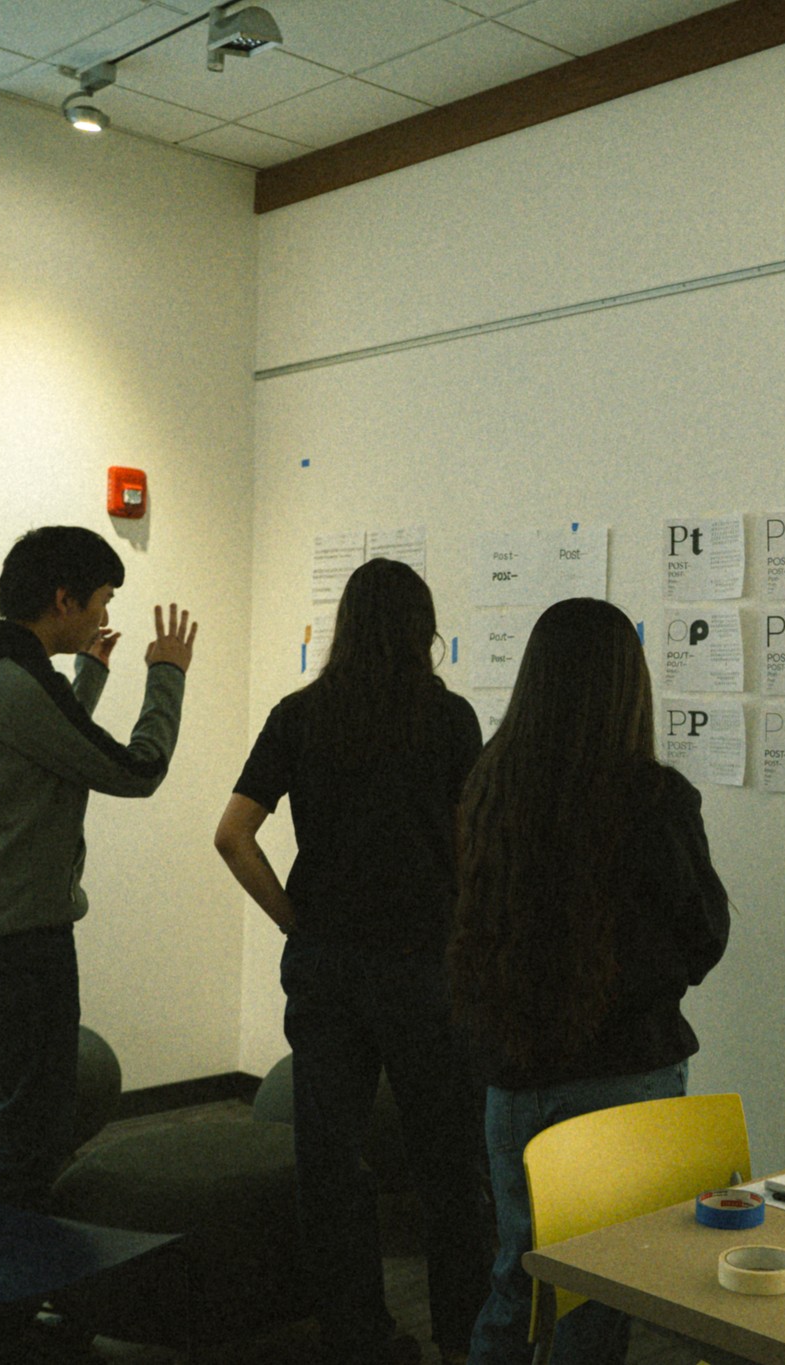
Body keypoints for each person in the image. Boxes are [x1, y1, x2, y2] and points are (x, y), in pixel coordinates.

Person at [215, 558, 491, 1365]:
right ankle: (464, 1336)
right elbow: (471, 848)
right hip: (424, 966)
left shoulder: (299, 714)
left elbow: (233, 833)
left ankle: (354, 1335)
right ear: (423, 629)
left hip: (327, 965)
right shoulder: (451, 720)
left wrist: (295, 920)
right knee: (449, 1165)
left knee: (330, 1163)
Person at [449, 597, 730, 1365]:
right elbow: (704, 935)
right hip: (628, 1074)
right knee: (599, 1291)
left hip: (516, 1075)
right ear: (626, 686)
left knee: (518, 1275)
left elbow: (469, 925)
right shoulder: (655, 798)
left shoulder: (490, 785)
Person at [0, 525, 196, 1214]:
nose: (105, 617)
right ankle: (4, 1314)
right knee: (29, 1143)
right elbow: (136, 769)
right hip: (18, 950)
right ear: (64, 599)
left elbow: (42, 744)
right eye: (101, 600)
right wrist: (167, 676)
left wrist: (90, 676)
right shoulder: (13, 685)